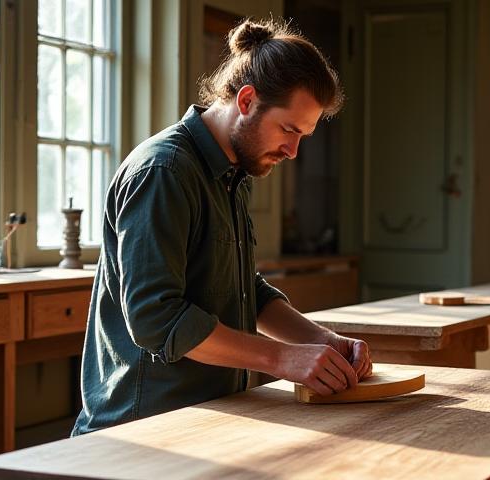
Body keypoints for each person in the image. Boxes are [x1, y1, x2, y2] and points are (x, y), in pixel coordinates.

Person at [72, 18, 372, 436]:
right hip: (143, 430)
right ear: (247, 100)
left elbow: (245, 289)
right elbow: (156, 319)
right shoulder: (165, 171)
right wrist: (284, 360)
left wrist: (322, 340)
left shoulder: (232, 172)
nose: (292, 150)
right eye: (288, 129)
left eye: (303, 136)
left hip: (209, 416)